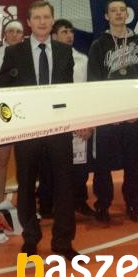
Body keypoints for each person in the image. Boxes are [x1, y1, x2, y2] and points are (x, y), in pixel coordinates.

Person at [0, 0, 77, 260]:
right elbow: (1, 89)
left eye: (46, 17)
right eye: (37, 18)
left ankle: (63, 242)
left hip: (59, 128)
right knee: (27, 184)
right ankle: (30, 239)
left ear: (52, 21)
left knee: (64, 186)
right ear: (29, 22)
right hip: (28, 130)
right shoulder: (14, 52)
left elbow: (70, 91)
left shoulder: (65, 52)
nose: (42, 22)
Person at [87, 0, 138, 224]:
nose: (118, 14)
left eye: (122, 10)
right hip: (109, 115)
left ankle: (133, 203)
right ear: (106, 16)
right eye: (113, 11)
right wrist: (108, 112)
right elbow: (93, 82)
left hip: (134, 114)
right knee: (103, 164)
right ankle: (102, 205)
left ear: (127, 14)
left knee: (134, 162)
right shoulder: (99, 45)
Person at [39, 19, 95, 217]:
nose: (69, 35)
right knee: (49, 164)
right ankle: (47, 204)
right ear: (54, 36)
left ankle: (79, 201)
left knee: (80, 165)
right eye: (64, 32)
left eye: (71, 31)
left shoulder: (82, 59)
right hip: (52, 119)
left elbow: (88, 93)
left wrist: (87, 122)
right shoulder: (44, 58)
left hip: (77, 119)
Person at [0, 18, 24, 203]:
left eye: (18, 31)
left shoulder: (30, 56)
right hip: (4, 115)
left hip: (27, 115)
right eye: (11, 31)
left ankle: (26, 201)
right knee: (2, 158)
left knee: (27, 160)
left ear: (23, 36)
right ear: (5, 35)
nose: (14, 34)